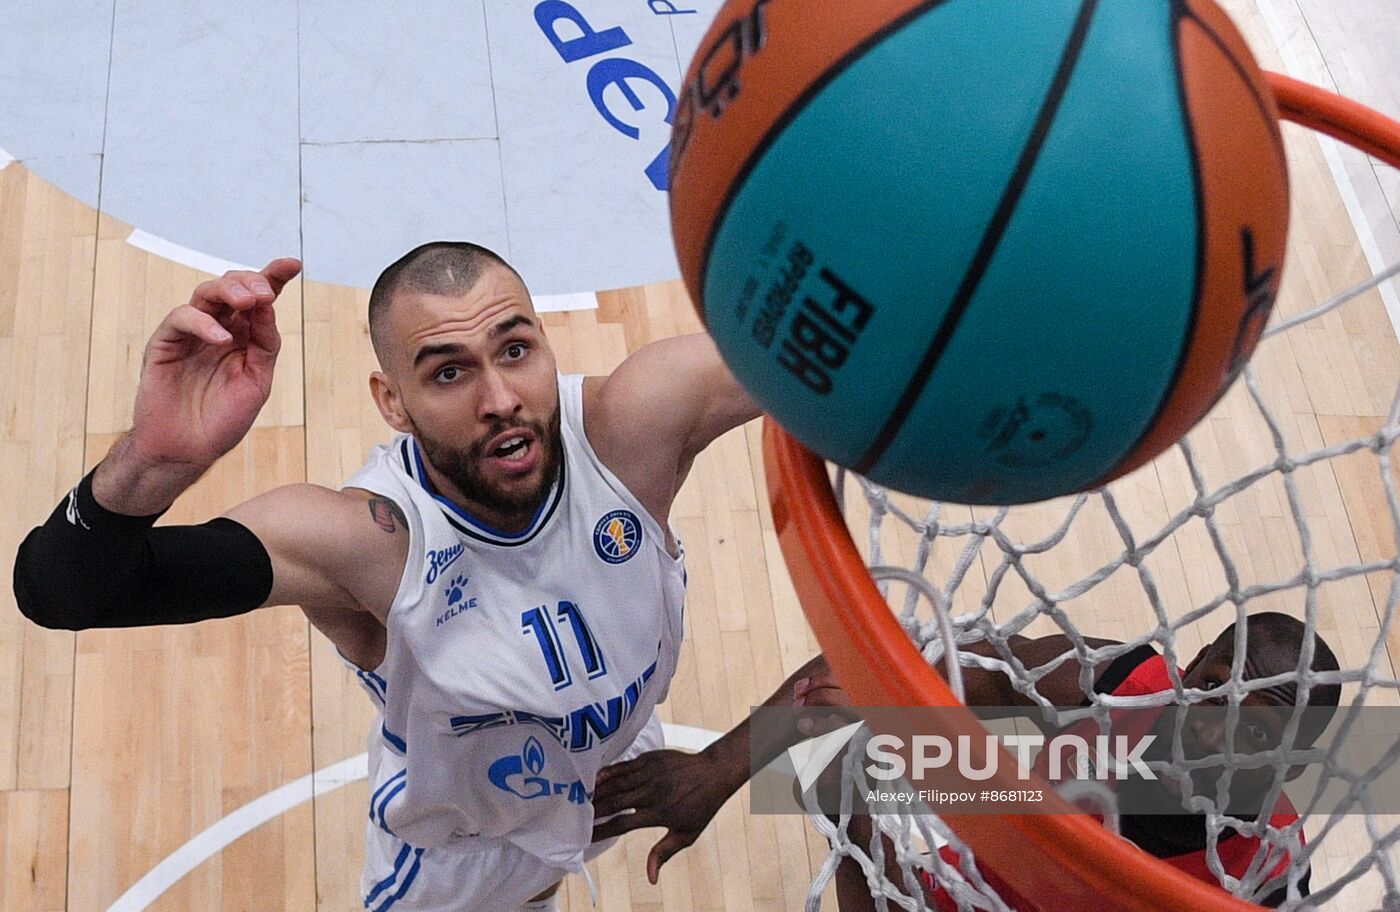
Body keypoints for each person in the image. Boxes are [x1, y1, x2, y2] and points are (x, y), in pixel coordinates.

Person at [13, 242, 762, 912]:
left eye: (515, 350)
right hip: (461, 852)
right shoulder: (367, 543)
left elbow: (858, 351)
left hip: (612, 764)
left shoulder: (636, 425)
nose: (501, 399)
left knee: (872, 782)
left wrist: (729, 765)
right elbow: (64, 595)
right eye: (448, 372)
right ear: (392, 402)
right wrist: (153, 461)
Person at [592, 613, 1340, 909]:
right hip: (982, 888)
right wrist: (716, 771)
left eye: (1259, 725)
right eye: (1213, 689)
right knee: (836, 775)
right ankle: (853, 841)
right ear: (1186, 670)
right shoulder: (1111, 682)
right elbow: (877, 658)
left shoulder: (1269, 875)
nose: (1219, 726)